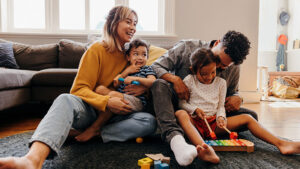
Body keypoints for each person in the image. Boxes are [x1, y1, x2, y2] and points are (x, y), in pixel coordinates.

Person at [0, 6, 156, 169]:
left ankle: (94, 132)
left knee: (149, 122)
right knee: (65, 99)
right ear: (113, 23)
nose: (133, 27)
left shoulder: (132, 55)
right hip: (91, 111)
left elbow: (146, 78)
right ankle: (32, 159)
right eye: (128, 22)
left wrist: (143, 89)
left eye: (135, 24)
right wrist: (106, 101)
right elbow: (79, 89)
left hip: (117, 116)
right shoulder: (97, 49)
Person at [175, 48, 300, 164]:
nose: (209, 77)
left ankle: (282, 144)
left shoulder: (221, 83)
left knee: (248, 117)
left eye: (212, 72)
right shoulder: (189, 80)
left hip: (213, 124)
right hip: (194, 123)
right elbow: (182, 104)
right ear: (193, 70)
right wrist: (195, 109)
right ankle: (205, 149)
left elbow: (220, 107)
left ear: (216, 68)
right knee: (180, 114)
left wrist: (221, 118)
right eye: (203, 74)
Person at [151, 30, 257, 166]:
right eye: (218, 60)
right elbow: (156, 66)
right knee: (159, 85)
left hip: (210, 115)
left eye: (223, 66)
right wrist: (176, 80)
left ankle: (196, 133)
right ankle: (175, 138)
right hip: (178, 107)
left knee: (251, 116)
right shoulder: (186, 47)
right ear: (218, 43)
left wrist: (238, 98)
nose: (218, 67)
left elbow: (233, 92)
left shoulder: (234, 67)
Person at [75, 39, 156, 142]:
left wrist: (137, 79)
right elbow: (116, 83)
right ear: (128, 57)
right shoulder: (126, 69)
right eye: (136, 54)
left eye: (144, 55)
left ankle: (95, 129)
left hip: (136, 102)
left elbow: (153, 82)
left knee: (113, 95)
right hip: (120, 99)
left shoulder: (147, 69)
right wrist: (126, 72)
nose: (140, 58)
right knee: (100, 88)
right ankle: (96, 127)